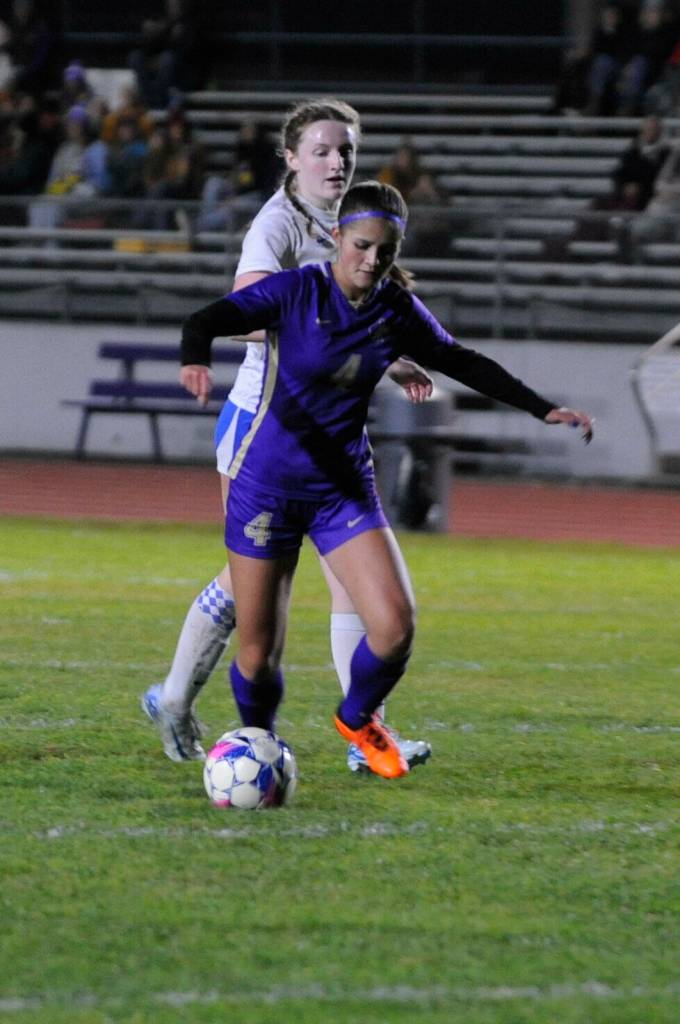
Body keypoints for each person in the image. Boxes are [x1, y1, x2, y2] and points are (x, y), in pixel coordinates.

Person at [176, 180, 594, 779]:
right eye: (363, 246)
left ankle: (357, 718)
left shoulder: (395, 310)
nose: (372, 261)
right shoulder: (297, 290)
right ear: (337, 237)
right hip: (265, 484)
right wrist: (194, 358)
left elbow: (462, 359)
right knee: (258, 653)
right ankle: (257, 746)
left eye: (385, 253)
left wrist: (542, 407)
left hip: (341, 490)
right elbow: (207, 318)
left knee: (395, 628)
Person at [141, 97, 434, 775]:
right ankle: (177, 696)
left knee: (344, 580)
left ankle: (365, 737)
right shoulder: (274, 226)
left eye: (348, 151)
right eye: (325, 150)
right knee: (255, 580)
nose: (338, 162)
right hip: (262, 422)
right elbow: (246, 307)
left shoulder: (351, 220)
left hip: (326, 432)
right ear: (292, 158)